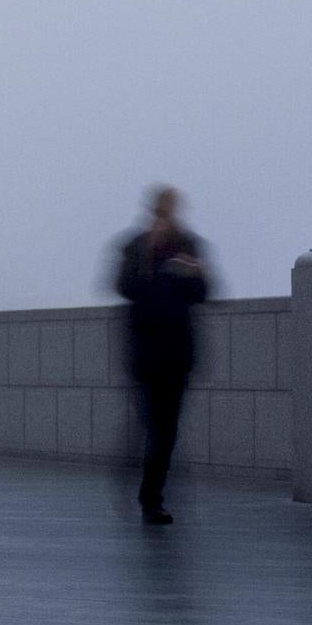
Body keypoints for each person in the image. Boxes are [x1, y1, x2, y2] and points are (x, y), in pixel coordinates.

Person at [112, 185, 210, 525]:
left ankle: (151, 496)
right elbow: (122, 287)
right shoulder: (135, 246)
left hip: (177, 353)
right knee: (153, 425)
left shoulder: (190, 245)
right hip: (146, 353)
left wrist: (196, 271)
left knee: (165, 429)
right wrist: (148, 261)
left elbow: (203, 294)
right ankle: (148, 494)